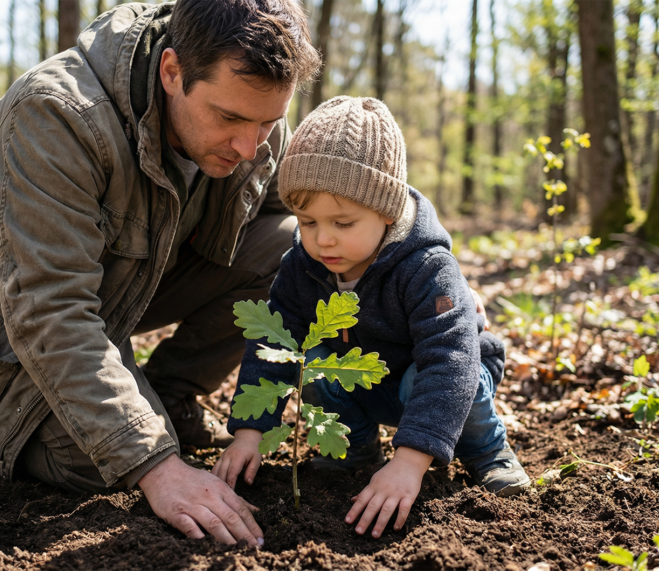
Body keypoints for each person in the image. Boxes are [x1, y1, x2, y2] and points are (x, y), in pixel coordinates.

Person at [0, 0, 322, 546]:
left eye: (268, 122)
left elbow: (289, 227)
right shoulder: (57, 114)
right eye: (229, 119)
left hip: (126, 290)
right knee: (103, 466)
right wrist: (156, 465)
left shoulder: (249, 105)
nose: (250, 147)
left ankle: (167, 396)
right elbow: (50, 309)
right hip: (5, 324)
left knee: (298, 248)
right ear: (172, 71)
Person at [213, 97, 531, 539]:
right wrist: (250, 431)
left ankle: (489, 453)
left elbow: (450, 361)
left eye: (343, 223)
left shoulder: (427, 268)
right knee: (311, 365)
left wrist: (410, 461)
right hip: (363, 382)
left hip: (437, 379)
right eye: (307, 221)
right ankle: (354, 451)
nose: (323, 239)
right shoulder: (301, 265)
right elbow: (275, 345)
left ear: (387, 211)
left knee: (432, 377)